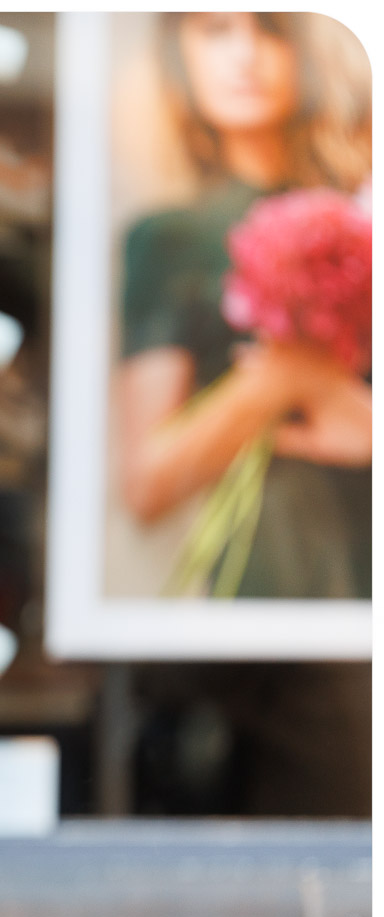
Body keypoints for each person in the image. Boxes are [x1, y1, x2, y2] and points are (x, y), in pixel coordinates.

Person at [116, 11, 371, 598]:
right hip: (269, 567)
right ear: (181, 54)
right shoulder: (170, 240)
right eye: (216, 31)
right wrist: (283, 377)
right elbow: (147, 483)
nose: (245, 56)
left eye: (269, 31)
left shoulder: (363, 216)